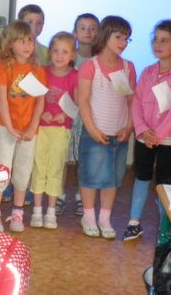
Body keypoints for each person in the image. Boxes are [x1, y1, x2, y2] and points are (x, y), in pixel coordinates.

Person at [124, 20, 171, 242]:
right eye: (155, 39)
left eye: (164, 41)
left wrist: (159, 134)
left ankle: (165, 227)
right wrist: (143, 130)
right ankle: (134, 222)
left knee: (164, 183)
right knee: (141, 177)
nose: (157, 44)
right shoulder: (148, 72)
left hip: (168, 140)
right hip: (145, 138)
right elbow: (137, 102)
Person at [77, 16, 135, 239]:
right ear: (105, 36)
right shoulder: (90, 66)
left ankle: (104, 218)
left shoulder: (128, 67)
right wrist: (92, 129)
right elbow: (83, 100)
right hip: (95, 132)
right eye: (118, 37)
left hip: (119, 133)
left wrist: (128, 127)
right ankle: (88, 216)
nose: (123, 43)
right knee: (91, 175)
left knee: (112, 177)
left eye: (127, 39)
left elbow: (131, 101)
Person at [0, 20, 47, 233]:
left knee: (23, 171)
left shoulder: (38, 69)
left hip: (29, 131)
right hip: (6, 127)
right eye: (21, 41)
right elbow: (2, 100)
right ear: (10, 43)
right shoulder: (4, 66)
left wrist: (32, 127)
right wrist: (10, 127)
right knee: (1, 171)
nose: (27, 45)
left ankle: (17, 213)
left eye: (30, 40)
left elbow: (40, 101)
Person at [30, 32, 78, 230]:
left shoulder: (74, 76)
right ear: (50, 52)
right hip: (41, 129)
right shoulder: (42, 72)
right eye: (56, 51)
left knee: (55, 169)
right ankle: (36, 211)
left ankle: (51, 212)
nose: (59, 55)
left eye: (65, 52)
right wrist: (41, 113)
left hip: (61, 130)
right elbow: (31, 100)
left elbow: (78, 104)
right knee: (39, 168)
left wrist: (65, 115)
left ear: (73, 55)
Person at [62, 13, 99, 216]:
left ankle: (80, 197)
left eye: (93, 29)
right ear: (75, 33)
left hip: (89, 116)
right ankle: (59, 195)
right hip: (66, 115)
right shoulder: (67, 56)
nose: (88, 32)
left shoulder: (99, 60)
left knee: (84, 159)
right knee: (62, 156)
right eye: (83, 28)